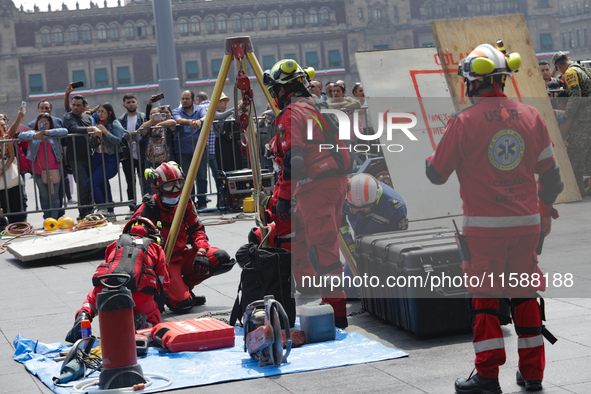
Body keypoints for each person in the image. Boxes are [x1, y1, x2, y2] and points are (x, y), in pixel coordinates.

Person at [425, 43, 564, 393]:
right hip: (527, 227)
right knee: (524, 296)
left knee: (485, 302)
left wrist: (433, 160)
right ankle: (533, 374)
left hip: (484, 232)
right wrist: (543, 211)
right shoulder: (532, 116)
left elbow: (436, 175)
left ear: (471, 83)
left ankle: (487, 376)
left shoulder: (463, 122)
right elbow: (553, 179)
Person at [264, 59, 351, 328]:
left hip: (315, 187)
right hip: (335, 183)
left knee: (322, 249)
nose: (275, 96)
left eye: (276, 90)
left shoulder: (291, 113)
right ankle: (332, 302)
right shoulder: (317, 105)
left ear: (284, 89)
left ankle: (337, 312)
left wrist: (285, 199)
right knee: (325, 246)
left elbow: (294, 160)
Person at [132, 161, 235, 313]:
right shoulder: (149, 209)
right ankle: (173, 293)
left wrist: (201, 249)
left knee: (221, 258)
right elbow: (133, 243)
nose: (174, 190)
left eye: (178, 184)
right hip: (164, 263)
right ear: (157, 187)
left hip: (182, 255)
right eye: (169, 186)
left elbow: (197, 229)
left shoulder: (185, 201)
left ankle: (184, 287)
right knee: (183, 305)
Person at [65, 217, 170, 343]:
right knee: (154, 319)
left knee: (91, 300)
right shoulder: (156, 248)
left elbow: (111, 265)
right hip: (140, 295)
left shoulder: (115, 243)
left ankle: (84, 316)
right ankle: (143, 325)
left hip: (107, 288)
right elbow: (163, 281)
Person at [552, 51, 591, 196]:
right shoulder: (582, 69)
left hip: (584, 117)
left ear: (559, 66)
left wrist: (567, 116)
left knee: (576, 150)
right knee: (588, 150)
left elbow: (575, 96)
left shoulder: (570, 73)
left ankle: (579, 188)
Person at [17, 113, 67, 220]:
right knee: (44, 196)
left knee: (54, 196)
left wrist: (49, 132)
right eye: (40, 123)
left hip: (55, 169)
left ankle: (54, 219)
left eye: (46, 123)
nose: (43, 125)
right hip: (39, 170)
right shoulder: (33, 133)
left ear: (50, 124)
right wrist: (35, 136)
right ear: (37, 124)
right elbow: (20, 135)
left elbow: (65, 131)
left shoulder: (53, 133)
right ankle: (47, 219)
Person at [172, 90, 209, 209]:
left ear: (193, 100)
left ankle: (202, 201)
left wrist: (200, 121)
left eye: (187, 99)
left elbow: (206, 116)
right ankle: (190, 202)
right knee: (187, 177)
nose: (184, 101)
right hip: (183, 150)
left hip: (200, 148)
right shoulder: (177, 110)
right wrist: (190, 122)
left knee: (202, 176)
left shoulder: (199, 109)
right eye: (183, 98)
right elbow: (177, 120)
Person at [88, 103, 124, 217]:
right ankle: (110, 210)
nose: (100, 114)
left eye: (102, 111)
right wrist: (94, 137)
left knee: (92, 182)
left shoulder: (115, 123)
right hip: (98, 158)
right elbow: (92, 144)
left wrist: (105, 132)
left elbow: (118, 140)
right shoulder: (97, 125)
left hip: (111, 159)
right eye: (99, 112)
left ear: (109, 112)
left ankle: (102, 207)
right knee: (102, 183)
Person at [62, 94, 94, 219]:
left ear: (84, 106)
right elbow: (74, 128)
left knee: (91, 184)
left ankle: (91, 211)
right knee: (82, 185)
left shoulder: (88, 117)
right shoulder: (68, 117)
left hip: (89, 156)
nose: (75, 107)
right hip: (75, 158)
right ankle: (83, 213)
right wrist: (92, 128)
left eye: (78, 105)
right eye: (73, 105)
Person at [118, 93, 148, 215]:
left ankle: (146, 205)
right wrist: (132, 135)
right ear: (124, 105)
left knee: (144, 182)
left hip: (142, 154)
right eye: (128, 102)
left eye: (132, 101)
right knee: (130, 182)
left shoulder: (143, 117)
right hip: (127, 156)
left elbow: (145, 132)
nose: (131, 104)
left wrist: (134, 135)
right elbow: (121, 134)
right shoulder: (121, 119)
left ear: (137, 103)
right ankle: (132, 206)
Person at [0, 112, 26, 223]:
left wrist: (4, 168)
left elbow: (11, 156)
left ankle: (18, 223)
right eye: (1, 125)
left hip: (8, 170)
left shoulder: (7, 138)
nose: (4, 126)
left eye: (4, 124)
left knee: (15, 197)